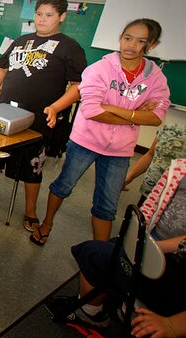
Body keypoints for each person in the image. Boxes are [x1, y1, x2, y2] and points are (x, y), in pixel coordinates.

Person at [30, 19, 170, 246]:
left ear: (151, 44)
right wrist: (134, 114)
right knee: (63, 185)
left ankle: (99, 252)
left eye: (140, 41)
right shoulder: (100, 69)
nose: (131, 45)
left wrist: (115, 108)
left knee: (107, 204)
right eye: (127, 38)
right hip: (85, 140)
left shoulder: (155, 77)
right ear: (120, 37)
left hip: (120, 150)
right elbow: (93, 111)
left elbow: (156, 117)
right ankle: (47, 224)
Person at [0, 0, 87, 232]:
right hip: (5, 113)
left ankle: (30, 211)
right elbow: (0, 67)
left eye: (49, 15)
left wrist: (57, 106)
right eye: (39, 14)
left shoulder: (70, 47)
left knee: (32, 167)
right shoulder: (21, 41)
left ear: (62, 17)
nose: (42, 20)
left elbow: (79, 85)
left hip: (37, 120)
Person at [51, 160, 186, 338]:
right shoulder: (180, 167)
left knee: (92, 253)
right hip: (153, 243)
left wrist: (172, 325)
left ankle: (92, 314)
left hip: (172, 265)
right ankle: (109, 306)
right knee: (110, 248)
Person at [124, 123, 186, 205]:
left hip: (176, 200)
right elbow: (150, 155)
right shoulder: (169, 129)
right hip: (151, 190)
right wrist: (129, 177)